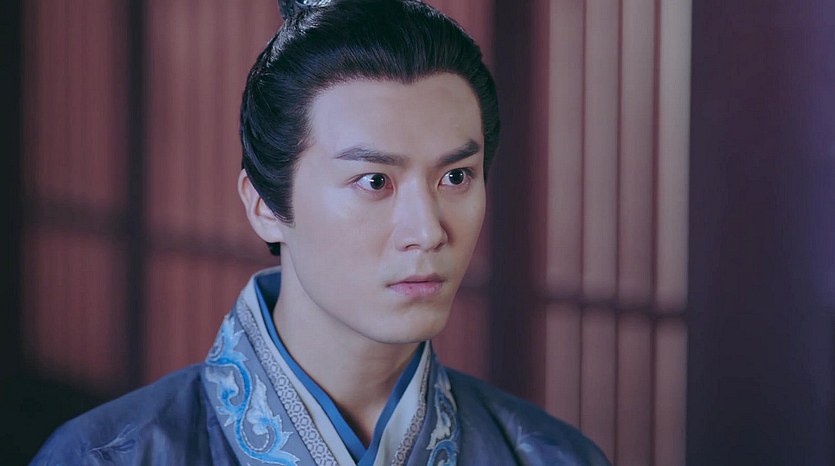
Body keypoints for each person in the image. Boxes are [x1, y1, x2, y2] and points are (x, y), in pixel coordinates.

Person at [32, 0, 610, 464]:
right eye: (374, 181)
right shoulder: (105, 456)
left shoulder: (551, 456)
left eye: (455, 176)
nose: (428, 230)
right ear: (264, 205)